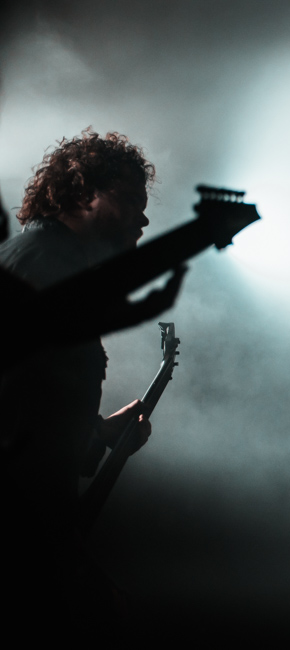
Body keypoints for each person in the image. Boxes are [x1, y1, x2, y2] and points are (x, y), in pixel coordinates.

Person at [0, 129, 159, 630]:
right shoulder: (44, 269)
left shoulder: (36, 261)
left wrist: (99, 433)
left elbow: (29, 404)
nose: (144, 217)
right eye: (130, 199)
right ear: (82, 194)